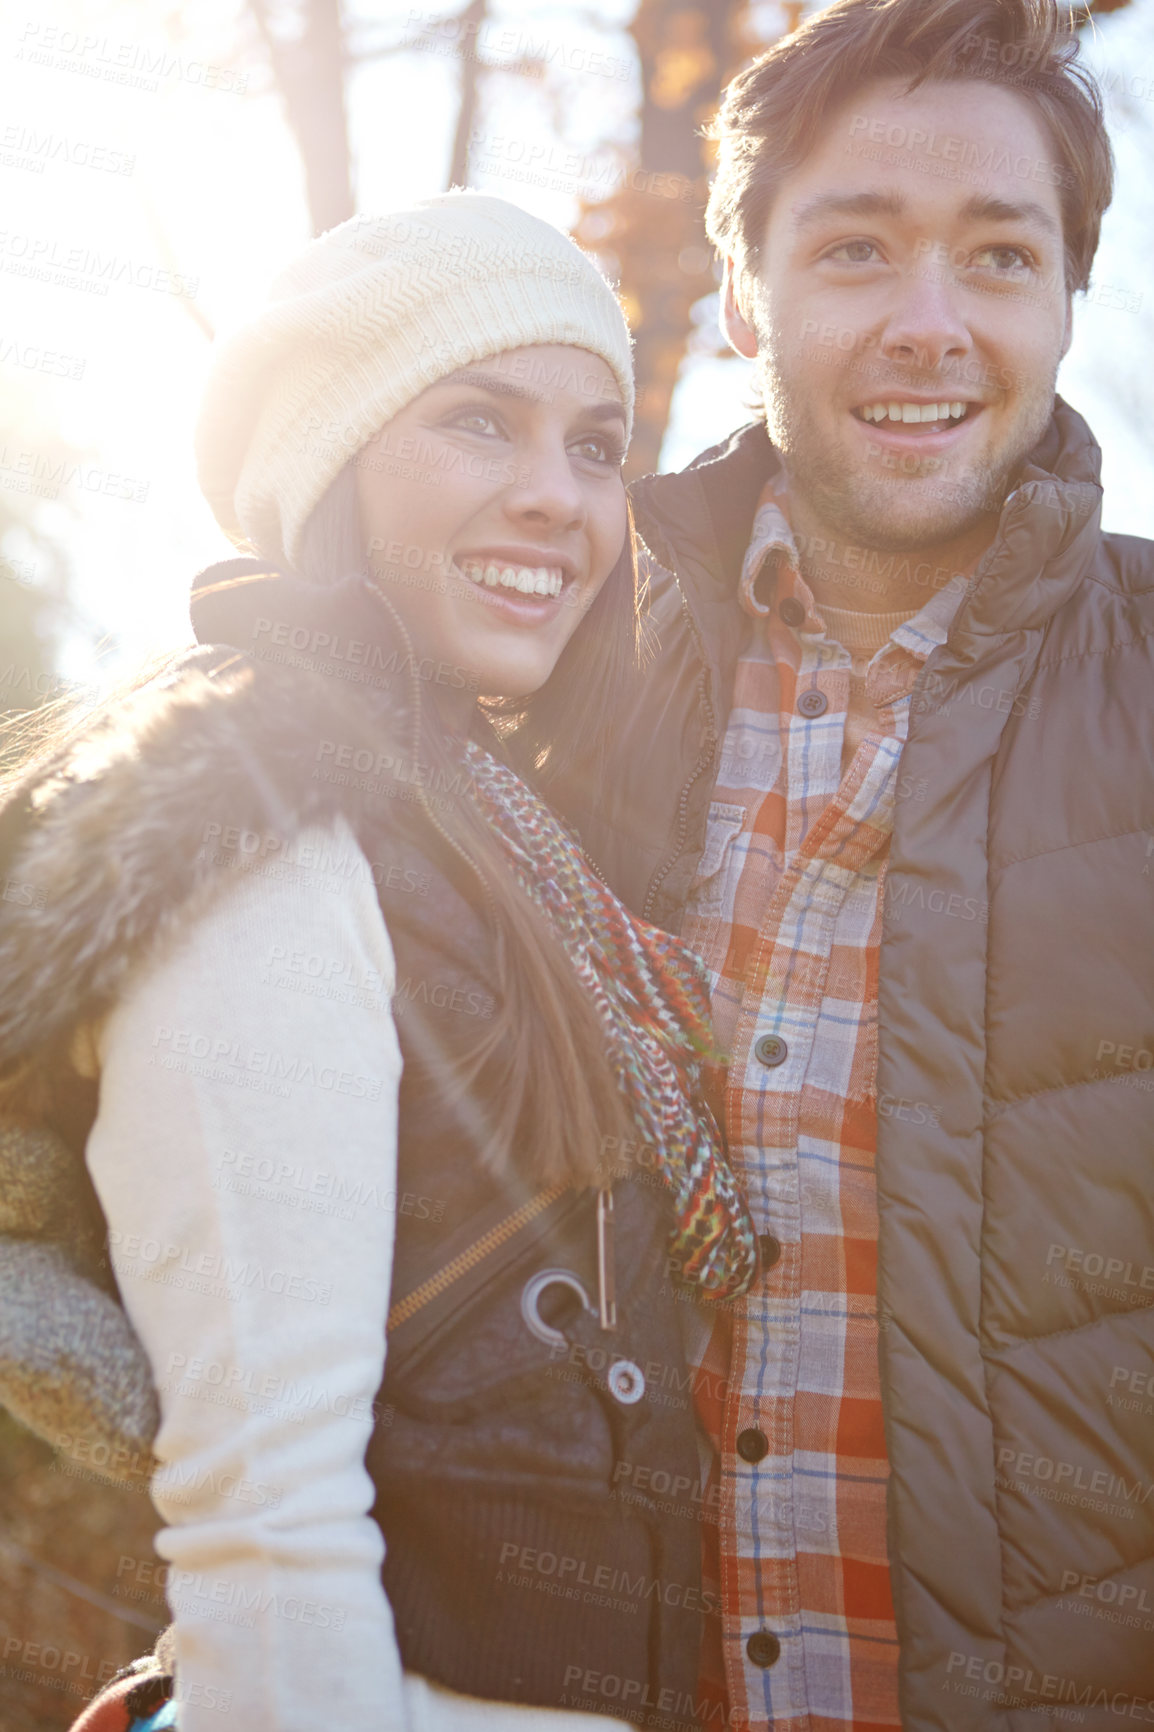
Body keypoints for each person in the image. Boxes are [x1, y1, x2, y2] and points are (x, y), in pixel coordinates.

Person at [0, 193, 757, 1732]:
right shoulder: (268, 831)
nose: (558, 497)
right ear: (327, 457)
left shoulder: (494, 834)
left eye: (595, 445)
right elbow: (267, 1534)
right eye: (481, 423)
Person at [545, 0, 1154, 1727]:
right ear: (745, 293)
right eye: (856, 249)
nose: (927, 326)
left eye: (996, 256)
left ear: (1060, 299)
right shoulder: (551, 690)